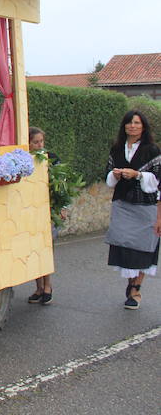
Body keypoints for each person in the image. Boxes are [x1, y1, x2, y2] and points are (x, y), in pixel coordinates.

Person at [104, 110, 161, 310]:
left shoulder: (152, 150)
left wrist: (138, 174)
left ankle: (135, 289)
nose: (133, 126)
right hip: (122, 203)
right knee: (125, 246)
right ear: (124, 126)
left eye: (137, 123)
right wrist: (116, 175)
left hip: (145, 205)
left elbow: (157, 181)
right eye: (129, 123)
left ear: (143, 127)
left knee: (143, 248)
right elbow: (108, 176)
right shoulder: (117, 149)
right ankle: (130, 284)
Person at [27, 126, 59, 305]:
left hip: (48, 211)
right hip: (31, 212)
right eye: (35, 142)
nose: (39, 145)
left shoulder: (51, 158)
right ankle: (38, 287)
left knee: (46, 248)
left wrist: (62, 207)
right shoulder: (24, 160)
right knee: (33, 249)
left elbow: (61, 186)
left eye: (41, 141)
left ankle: (48, 285)